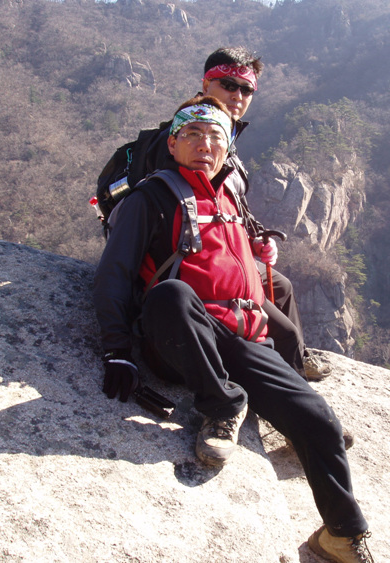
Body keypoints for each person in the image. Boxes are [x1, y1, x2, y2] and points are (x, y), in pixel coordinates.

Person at [93, 97, 374, 563]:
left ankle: (341, 536)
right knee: (171, 294)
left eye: (215, 137)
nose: (205, 145)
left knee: (320, 420)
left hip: (240, 335)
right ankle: (222, 404)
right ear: (173, 144)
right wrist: (116, 349)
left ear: (227, 148)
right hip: (180, 335)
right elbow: (113, 274)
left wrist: (280, 331)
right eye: (192, 135)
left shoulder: (229, 195)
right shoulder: (149, 198)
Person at [127, 46, 332, 382]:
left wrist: (254, 239)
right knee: (276, 308)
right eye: (228, 84)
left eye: (246, 89)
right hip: (186, 260)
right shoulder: (184, 137)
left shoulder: (225, 137)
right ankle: (285, 366)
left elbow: (229, 205)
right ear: (206, 84)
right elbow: (172, 210)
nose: (238, 95)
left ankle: (294, 357)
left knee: (280, 286)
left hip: (220, 248)